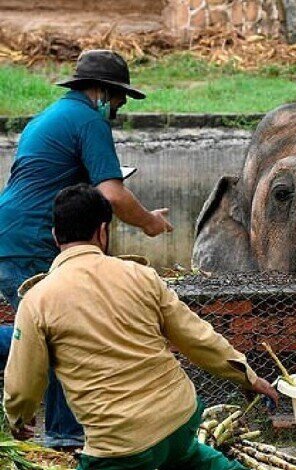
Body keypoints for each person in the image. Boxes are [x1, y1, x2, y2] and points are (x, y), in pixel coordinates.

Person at [3, 185, 278, 470]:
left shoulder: (37, 300)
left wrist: (18, 417)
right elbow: (197, 336)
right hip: (178, 415)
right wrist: (247, 376)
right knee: (188, 457)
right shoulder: (141, 276)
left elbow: (23, 382)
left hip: (120, 444)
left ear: (56, 235)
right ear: (102, 231)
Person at [0, 49, 174, 449]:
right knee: (59, 333)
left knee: (58, 330)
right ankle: (65, 438)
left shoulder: (50, 117)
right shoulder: (88, 121)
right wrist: (149, 222)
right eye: (118, 98)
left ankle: (65, 435)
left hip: (14, 233)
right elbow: (112, 194)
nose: (120, 106)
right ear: (100, 92)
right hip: (33, 238)